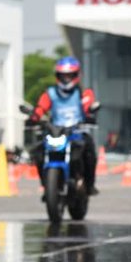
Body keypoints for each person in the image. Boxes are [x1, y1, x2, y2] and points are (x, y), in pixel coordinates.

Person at [27, 56, 99, 194]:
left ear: (76, 75)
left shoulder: (83, 93)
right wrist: (34, 118)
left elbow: (87, 105)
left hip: (77, 132)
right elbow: (40, 108)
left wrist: (89, 114)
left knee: (90, 151)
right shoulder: (50, 93)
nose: (66, 79)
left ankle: (89, 185)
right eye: (63, 76)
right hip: (55, 132)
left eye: (69, 75)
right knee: (38, 152)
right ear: (57, 76)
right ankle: (47, 186)